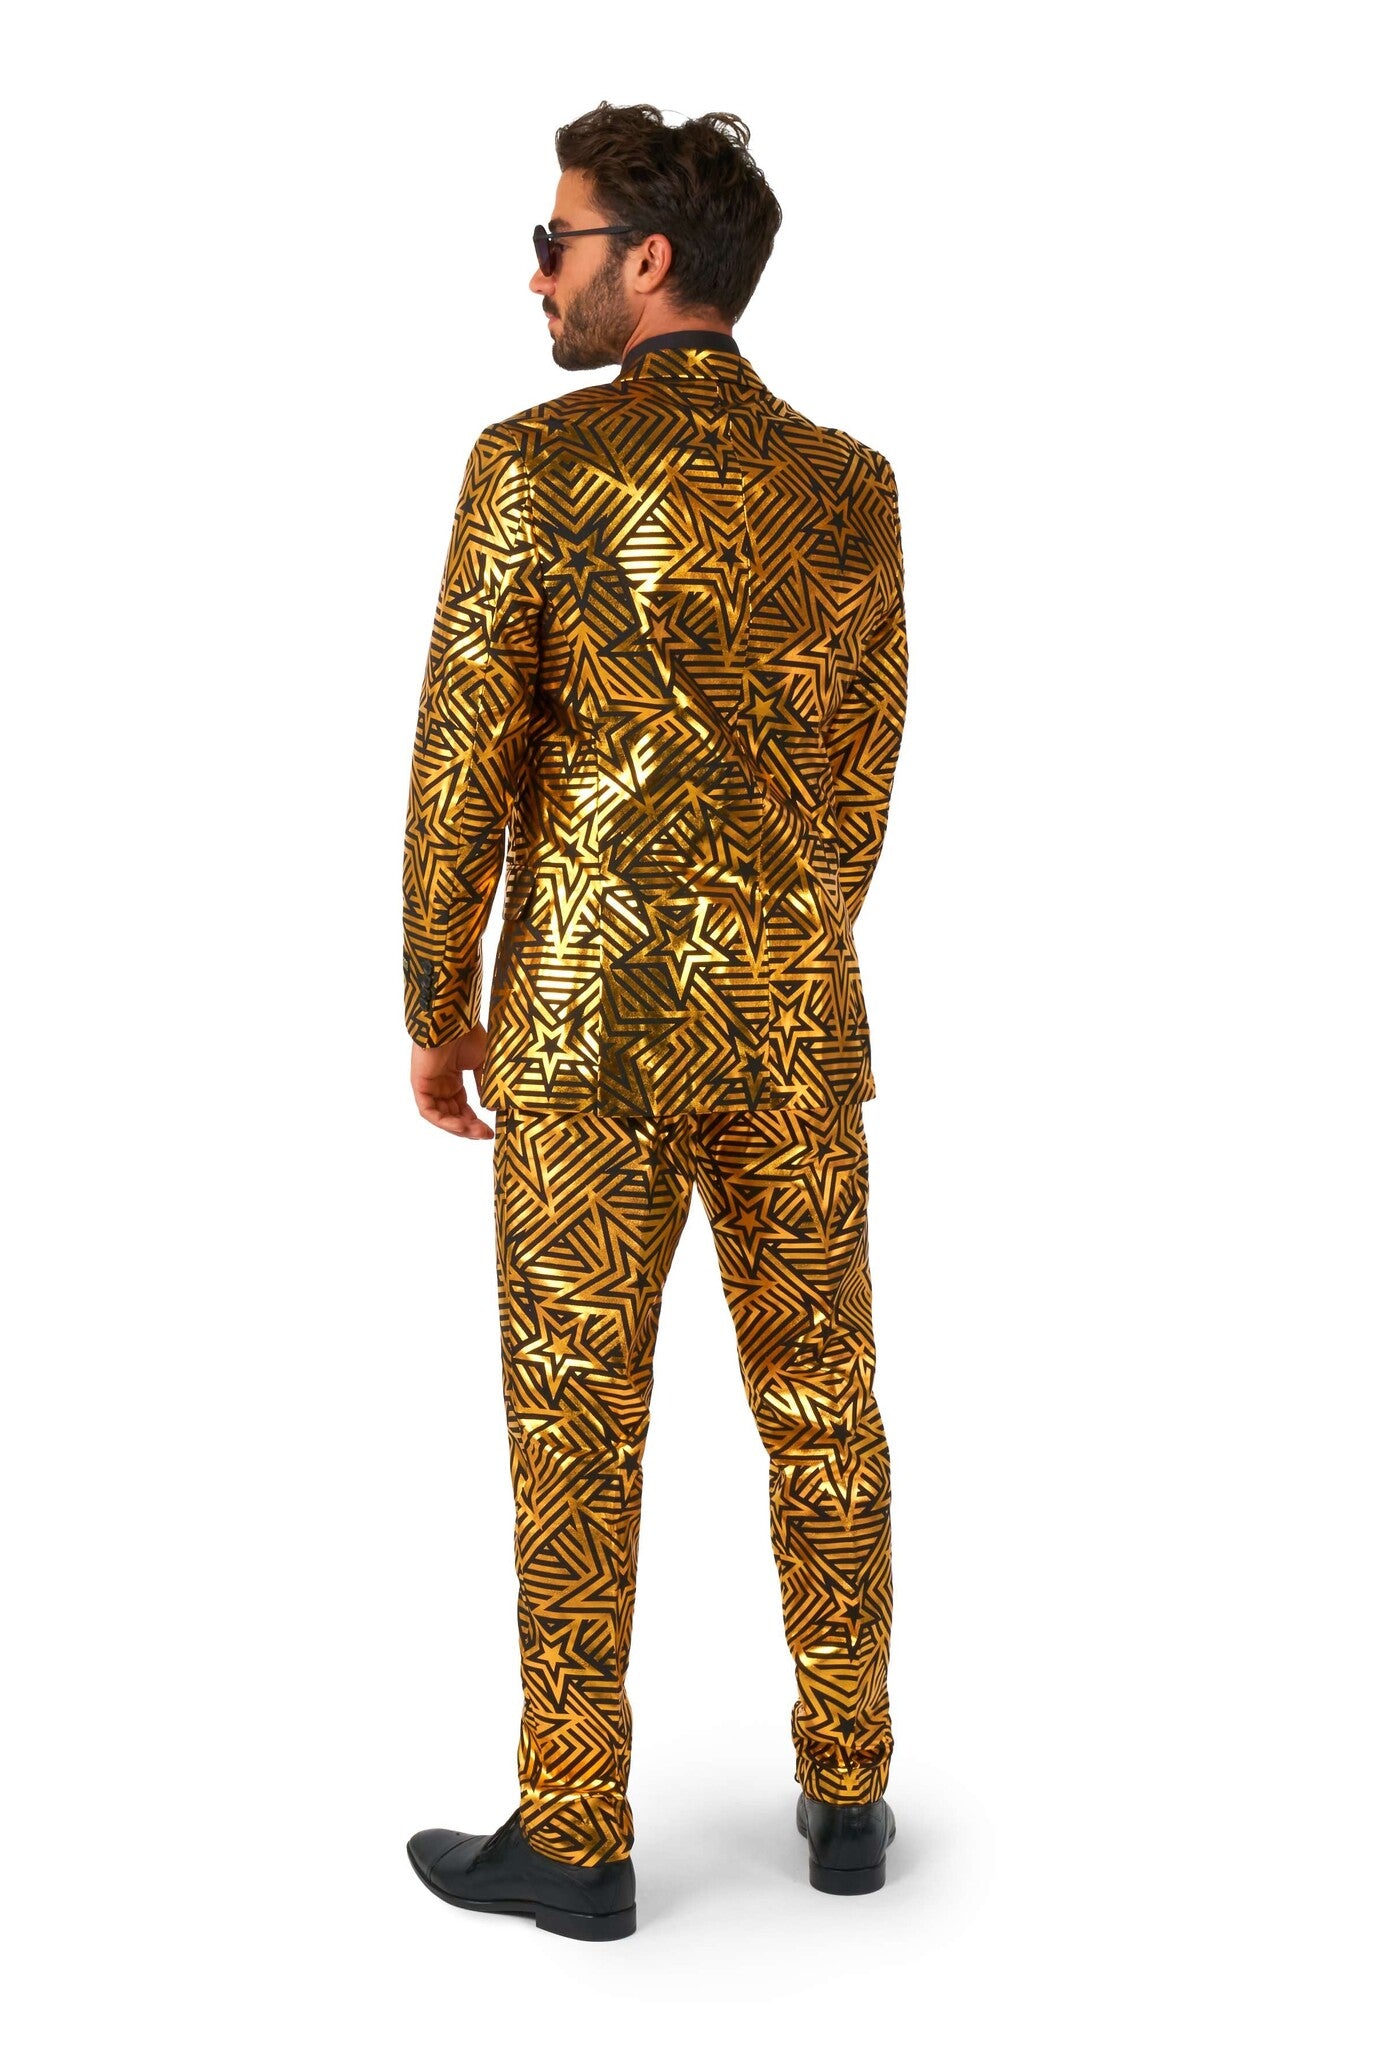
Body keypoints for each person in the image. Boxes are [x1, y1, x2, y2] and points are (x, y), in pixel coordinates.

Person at [402, 101, 908, 1941]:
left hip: (587, 1026)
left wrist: (435, 996)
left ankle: (577, 1835)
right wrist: (783, 944)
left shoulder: (533, 465)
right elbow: (864, 764)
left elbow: (466, 753)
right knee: (825, 1399)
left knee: (575, 1418)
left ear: (650, 259)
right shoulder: (851, 486)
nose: (539, 274)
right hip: (790, 1017)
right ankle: (848, 1794)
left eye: (559, 242)